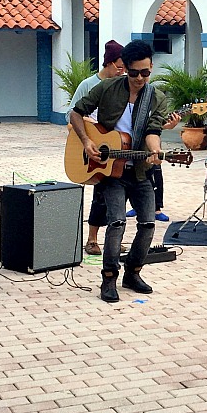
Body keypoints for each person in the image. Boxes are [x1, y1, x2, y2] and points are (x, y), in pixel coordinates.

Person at [68, 40, 168, 303]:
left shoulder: (155, 97)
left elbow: (152, 131)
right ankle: (108, 278)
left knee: (147, 223)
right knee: (117, 223)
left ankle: (133, 273)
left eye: (145, 73)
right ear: (124, 68)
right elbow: (76, 113)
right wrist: (88, 142)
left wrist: (155, 151)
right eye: (133, 72)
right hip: (109, 171)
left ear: (151, 68)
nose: (139, 78)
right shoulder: (109, 87)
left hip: (139, 171)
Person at [69, 40, 125, 256]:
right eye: (119, 67)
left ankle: (113, 238)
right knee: (100, 196)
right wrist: (89, 132)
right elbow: (71, 115)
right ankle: (92, 239)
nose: (122, 72)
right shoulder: (88, 85)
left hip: (113, 147)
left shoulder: (123, 88)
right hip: (90, 145)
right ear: (109, 64)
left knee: (116, 195)